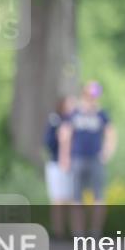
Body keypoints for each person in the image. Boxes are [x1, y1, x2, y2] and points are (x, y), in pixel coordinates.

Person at [59, 81, 117, 238]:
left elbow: (111, 132)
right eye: (90, 95)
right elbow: (66, 135)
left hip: (95, 159)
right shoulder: (75, 113)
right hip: (77, 158)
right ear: (84, 94)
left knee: (99, 196)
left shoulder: (101, 114)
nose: (92, 98)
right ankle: (78, 233)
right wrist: (64, 157)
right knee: (76, 198)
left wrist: (107, 151)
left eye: (95, 96)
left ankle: (95, 231)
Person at [43, 96, 75, 238]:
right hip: (56, 164)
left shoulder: (74, 121)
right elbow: (48, 143)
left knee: (70, 199)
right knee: (57, 199)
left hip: (71, 165)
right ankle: (58, 231)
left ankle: (71, 230)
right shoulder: (55, 121)